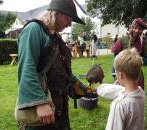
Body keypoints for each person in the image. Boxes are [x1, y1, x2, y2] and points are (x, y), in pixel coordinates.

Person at [17, 0, 95, 130]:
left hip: (58, 111)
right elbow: (27, 68)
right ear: (55, 13)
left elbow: (63, 73)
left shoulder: (55, 38)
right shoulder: (34, 30)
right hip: (40, 115)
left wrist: (85, 89)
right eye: (67, 18)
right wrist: (40, 103)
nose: (70, 23)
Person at [97, 48, 145, 130]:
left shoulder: (119, 105)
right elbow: (120, 90)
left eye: (115, 71)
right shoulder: (140, 92)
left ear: (120, 75)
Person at [111, 18, 147, 89]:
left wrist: (139, 59)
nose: (137, 30)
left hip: (136, 76)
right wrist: (114, 73)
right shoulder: (122, 40)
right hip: (122, 75)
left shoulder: (143, 43)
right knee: (121, 96)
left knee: (136, 96)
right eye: (135, 28)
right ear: (131, 27)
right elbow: (115, 58)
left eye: (140, 29)